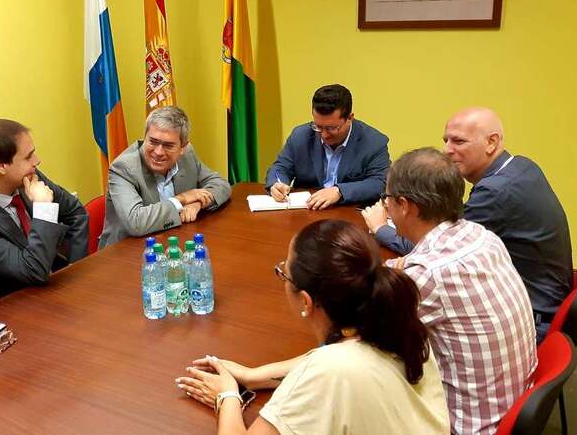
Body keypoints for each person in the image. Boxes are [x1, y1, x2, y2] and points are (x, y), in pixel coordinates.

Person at [175, 220, 449, 435]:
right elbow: (334, 359)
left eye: (284, 272)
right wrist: (254, 375)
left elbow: (327, 369)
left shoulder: (329, 371)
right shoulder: (397, 322)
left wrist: (227, 396)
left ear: (306, 301)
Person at [362, 107, 572, 342]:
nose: (447, 150)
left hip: (534, 315)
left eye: (459, 141)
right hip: (541, 299)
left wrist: (381, 229)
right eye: (446, 140)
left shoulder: (495, 192)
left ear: (492, 142)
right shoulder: (520, 166)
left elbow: (439, 249)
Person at [380, 148, 537, 435]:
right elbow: (412, 268)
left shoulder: (428, 274)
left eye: (386, 198)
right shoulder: (482, 237)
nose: (385, 205)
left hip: (467, 427)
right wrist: (401, 268)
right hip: (512, 406)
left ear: (404, 205)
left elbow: (363, 334)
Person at [0, 119, 89, 296]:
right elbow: (33, 271)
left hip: (58, 285)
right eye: (28, 156)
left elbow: (76, 213)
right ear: (1, 166)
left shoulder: (27, 176)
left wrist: (75, 268)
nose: (37, 161)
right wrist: (44, 209)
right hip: (19, 301)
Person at [99, 106, 231, 248]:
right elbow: (136, 222)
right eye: (153, 142)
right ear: (145, 137)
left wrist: (198, 203)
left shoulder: (187, 156)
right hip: (124, 251)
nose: (158, 152)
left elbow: (220, 184)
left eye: (168, 145)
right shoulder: (123, 168)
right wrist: (182, 198)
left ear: (183, 147)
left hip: (172, 242)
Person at [265, 84, 390, 209]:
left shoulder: (374, 142)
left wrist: (339, 191)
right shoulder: (300, 136)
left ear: (349, 118)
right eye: (318, 126)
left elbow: (380, 183)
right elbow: (280, 168)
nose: (324, 135)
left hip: (348, 212)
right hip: (306, 211)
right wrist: (276, 184)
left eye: (331, 128)